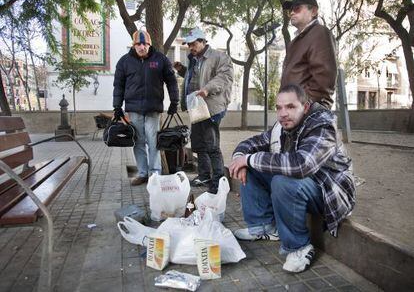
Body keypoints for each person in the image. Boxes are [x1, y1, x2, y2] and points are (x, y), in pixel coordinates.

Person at [229, 83, 355, 273]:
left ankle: (300, 247)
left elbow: (302, 164)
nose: (283, 113)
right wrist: (240, 158)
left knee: (282, 180)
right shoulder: (282, 125)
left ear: (305, 107)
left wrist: (251, 158)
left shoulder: (322, 124)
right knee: (251, 165)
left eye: (290, 107)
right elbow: (253, 143)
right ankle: (264, 227)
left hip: (329, 191)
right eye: (279, 107)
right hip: (304, 184)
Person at [113, 30, 179, 185]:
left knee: (153, 141)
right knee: (138, 141)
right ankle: (142, 173)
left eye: (145, 44)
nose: (142, 47)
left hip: (153, 109)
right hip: (133, 109)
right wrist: (117, 106)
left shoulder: (161, 59)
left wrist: (174, 101)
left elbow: (171, 81)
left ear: (149, 44)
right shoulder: (124, 62)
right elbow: (118, 86)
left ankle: (155, 174)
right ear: (134, 45)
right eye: (138, 44)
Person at [173, 27, 233, 193]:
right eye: (189, 45)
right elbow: (195, 78)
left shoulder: (219, 57)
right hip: (196, 106)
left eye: (193, 44)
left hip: (211, 107)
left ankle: (219, 179)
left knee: (212, 145)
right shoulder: (195, 59)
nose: (191, 47)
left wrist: (207, 89)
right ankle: (204, 175)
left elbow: (224, 78)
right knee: (199, 144)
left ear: (203, 41)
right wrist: (182, 70)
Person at [281, 0, 337, 109]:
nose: (291, 12)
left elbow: (323, 80)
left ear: (314, 11)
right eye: (290, 10)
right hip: (294, 111)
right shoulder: (296, 41)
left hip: (308, 112)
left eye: (296, 8)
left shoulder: (320, 33)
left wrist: (301, 105)